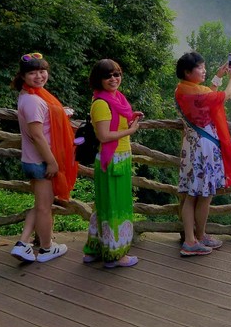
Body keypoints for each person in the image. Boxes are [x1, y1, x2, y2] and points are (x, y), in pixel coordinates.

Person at [11, 52, 77, 262]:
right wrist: (52, 162)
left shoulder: (29, 95)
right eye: (33, 73)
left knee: (40, 205)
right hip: (40, 162)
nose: (39, 76)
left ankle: (23, 244)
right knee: (44, 208)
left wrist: (60, 112)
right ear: (23, 76)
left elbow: (44, 115)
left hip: (31, 160)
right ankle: (47, 248)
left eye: (42, 71)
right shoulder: (33, 101)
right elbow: (37, 135)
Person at [175, 51, 231, 256]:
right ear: (188, 72)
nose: (204, 70)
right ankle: (192, 240)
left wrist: (218, 76)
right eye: (200, 68)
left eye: (204, 67)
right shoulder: (196, 93)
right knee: (201, 195)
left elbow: (207, 98)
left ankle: (197, 237)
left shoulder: (183, 89)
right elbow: (224, 96)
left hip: (191, 145)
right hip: (203, 148)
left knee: (192, 194)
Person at [82, 60, 143, 268]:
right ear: (98, 80)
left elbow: (116, 123)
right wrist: (131, 130)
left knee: (105, 206)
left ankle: (95, 250)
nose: (113, 79)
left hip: (118, 159)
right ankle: (115, 255)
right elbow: (104, 135)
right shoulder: (101, 103)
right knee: (116, 207)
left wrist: (131, 119)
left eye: (117, 74)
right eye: (107, 76)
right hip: (113, 160)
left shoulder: (116, 99)